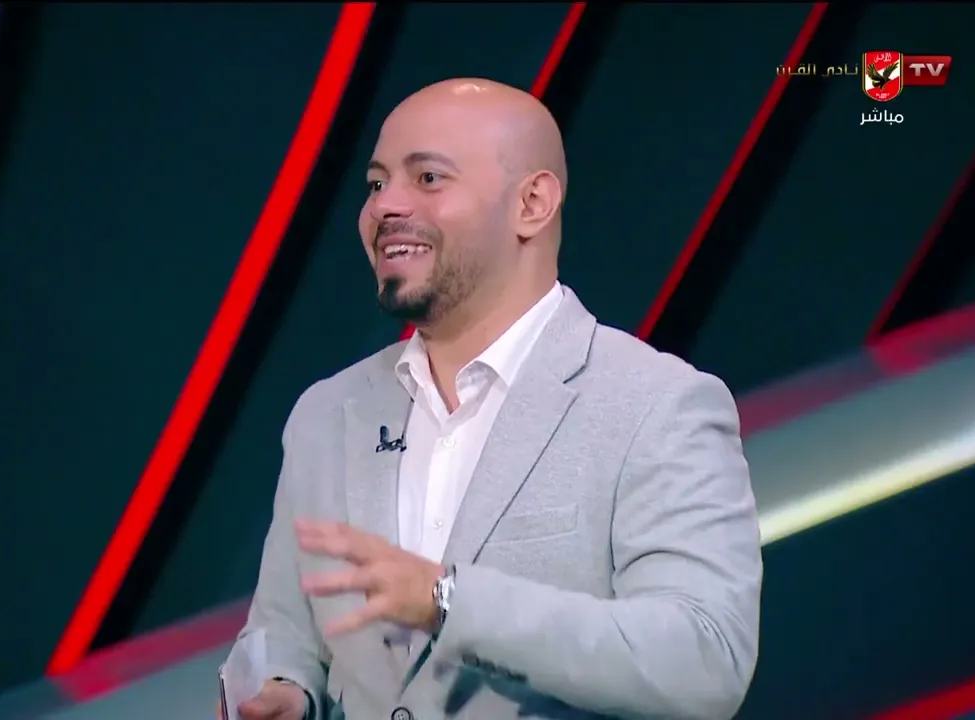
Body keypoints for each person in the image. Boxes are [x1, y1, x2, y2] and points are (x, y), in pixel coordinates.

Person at [225, 78, 762, 720]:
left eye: (427, 178)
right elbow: (284, 631)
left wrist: (450, 600)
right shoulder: (326, 413)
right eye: (376, 183)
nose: (385, 206)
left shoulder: (658, 404)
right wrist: (285, 690)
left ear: (532, 204)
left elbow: (704, 661)